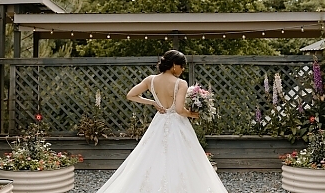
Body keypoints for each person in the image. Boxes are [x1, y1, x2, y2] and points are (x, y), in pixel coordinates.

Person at [96, 49, 229, 193]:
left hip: (159, 122)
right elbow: (179, 109)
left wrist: (153, 102)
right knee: (182, 158)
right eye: (181, 66)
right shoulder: (180, 83)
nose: (183, 69)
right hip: (178, 125)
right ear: (174, 65)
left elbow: (131, 95)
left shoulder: (151, 80)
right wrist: (191, 114)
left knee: (151, 156)